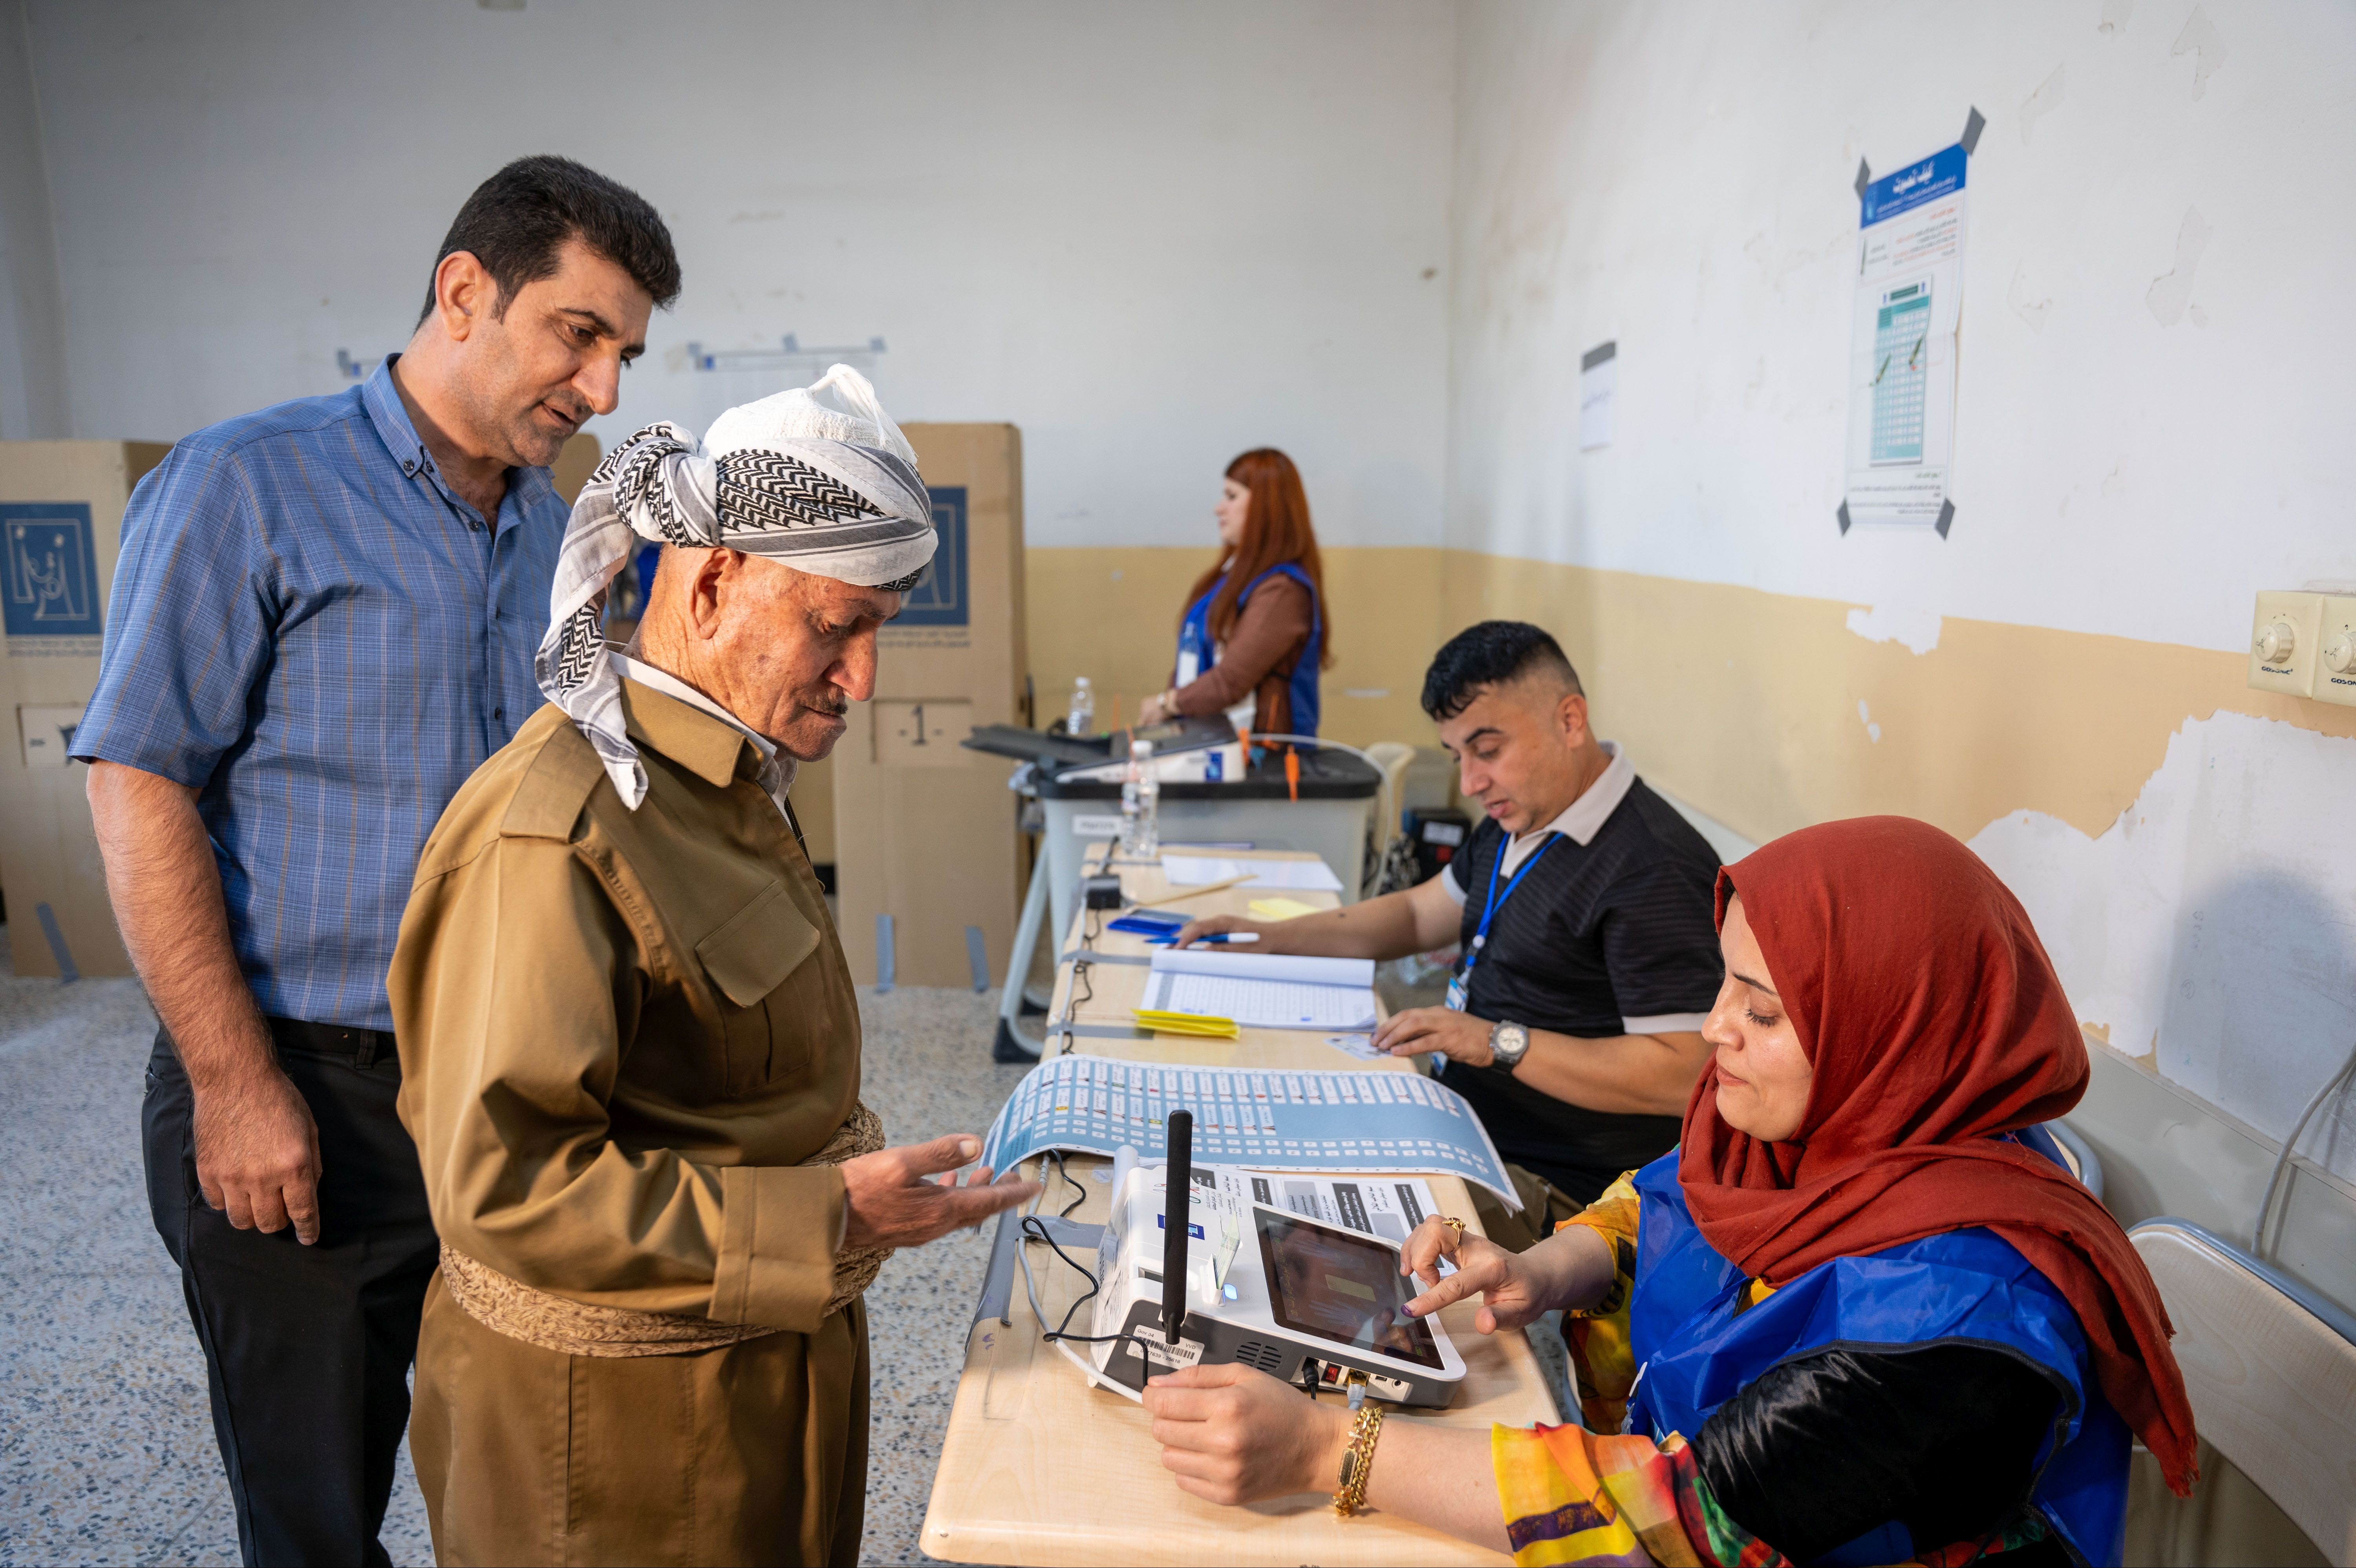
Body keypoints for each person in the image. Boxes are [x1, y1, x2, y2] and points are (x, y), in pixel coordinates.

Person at [76, 155, 679, 1568]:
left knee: (527, 1473)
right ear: (463, 293)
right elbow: (139, 784)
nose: (603, 391)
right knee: (318, 1509)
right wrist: (234, 1087)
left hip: (506, 1086)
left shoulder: (554, 525)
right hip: (303, 1093)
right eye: (579, 336)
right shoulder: (247, 486)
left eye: (625, 356)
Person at [1143, 816, 2197, 1567]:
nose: (1712, 1031)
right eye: (1722, 990)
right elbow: (1663, 1201)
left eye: (1765, 1013)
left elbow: (1689, 1519)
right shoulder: (1840, 1132)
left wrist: (1329, 1445)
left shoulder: (1957, 1332)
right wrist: (1538, 1270)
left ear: (1893, 1029)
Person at [387, 368, 1041, 1568]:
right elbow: (503, 1184)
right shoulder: (555, 832)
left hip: (757, 1383)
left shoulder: (722, 788)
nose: (863, 679)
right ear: (709, 581)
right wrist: (827, 1211)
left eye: (877, 630)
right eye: (837, 626)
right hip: (618, 1452)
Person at [1178, 621, 1721, 1245]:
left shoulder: (1653, 866)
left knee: (1310, 1230)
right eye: (1457, 756)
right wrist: (1268, 935)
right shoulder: (1523, 817)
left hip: (1561, 1185)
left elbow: (1688, 1076)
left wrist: (1498, 1042)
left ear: (1571, 721)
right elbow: (1415, 915)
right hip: (1461, 1120)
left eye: (1487, 750)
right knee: (1261, 1139)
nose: (1469, 783)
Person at [1136, 447, 1330, 737]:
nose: (1219, 508)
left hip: (1264, 761)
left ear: (1267, 506)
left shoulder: (1282, 591)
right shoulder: (1228, 576)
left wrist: (1167, 703)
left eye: (1232, 496)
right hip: (1205, 742)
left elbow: (1231, 681)